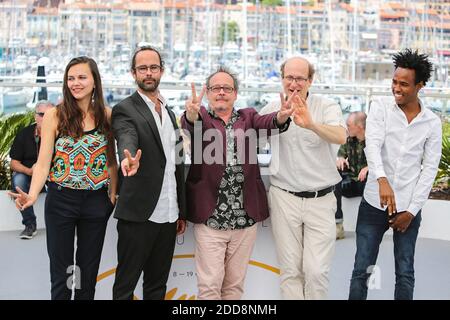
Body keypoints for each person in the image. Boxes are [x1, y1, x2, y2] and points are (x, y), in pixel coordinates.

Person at [181, 66, 294, 300]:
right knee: (209, 286)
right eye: (216, 88)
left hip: (244, 219)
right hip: (210, 217)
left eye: (227, 88)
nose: (221, 92)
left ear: (235, 93)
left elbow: (269, 122)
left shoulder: (248, 117)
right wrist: (191, 114)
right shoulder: (201, 116)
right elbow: (191, 122)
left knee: (234, 287)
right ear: (208, 93)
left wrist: (281, 117)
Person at [9, 56, 118, 300]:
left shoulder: (107, 116)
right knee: (62, 274)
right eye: (71, 78)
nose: (75, 83)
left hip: (96, 202)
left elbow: (112, 159)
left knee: (86, 275)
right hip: (61, 201)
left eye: (81, 77)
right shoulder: (55, 116)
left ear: (94, 81)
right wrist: (34, 193)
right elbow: (44, 160)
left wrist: (112, 193)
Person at [349, 49, 442, 300]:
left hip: (407, 207)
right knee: (362, 271)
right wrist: (381, 180)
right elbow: (373, 144)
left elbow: (430, 169)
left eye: (404, 84)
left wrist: (411, 211)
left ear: (419, 86)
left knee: (405, 273)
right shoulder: (379, 107)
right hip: (372, 204)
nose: (396, 88)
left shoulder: (432, 122)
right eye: (394, 82)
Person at [260, 57, 346, 300]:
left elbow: (340, 135)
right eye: (290, 77)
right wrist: (277, 120)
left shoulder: (326, 106)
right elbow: (249, 140)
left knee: (316, 271)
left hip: (321, 199)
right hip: (284, 197)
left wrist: (311, 125)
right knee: (290, 271)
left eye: (300, 78)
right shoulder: (271, 107)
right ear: (282, 79)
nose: (294, 83)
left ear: (310, 80)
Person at [111, 45, 186, 300]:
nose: (149, 73)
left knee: (157, 286)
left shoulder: (169, 112)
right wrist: (127, 158)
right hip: (138, 215)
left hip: (169, 214)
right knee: (125, 286)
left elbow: (176, 163)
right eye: (142, 68)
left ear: (162, 71)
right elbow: (126, 136)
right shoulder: (125, 109)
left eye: (153, 67)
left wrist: (181, 211)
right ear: (134, 73)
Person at [9, 100, 54, 239]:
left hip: (52, 174)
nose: (45, 118)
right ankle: (30, 225)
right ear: (35, 116)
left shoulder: (60, 134)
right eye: (42, 114)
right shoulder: (24, 134)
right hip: (29, 173)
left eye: (50, 115)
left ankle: (64, 225)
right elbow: (14, 163)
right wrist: (30, 171)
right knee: (18, 182)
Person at [334, 111, 368, 240]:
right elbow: (341, 154)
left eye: (349, 125)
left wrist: (369, 167)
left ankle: (366, 228)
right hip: (352, 183)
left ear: (359, 126)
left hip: (368, 184)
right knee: (335, 175)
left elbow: (385, 162)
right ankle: (338, 225)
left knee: (371, 176)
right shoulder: (348, 139)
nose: (347, 128)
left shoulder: (373, 140)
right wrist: (341, 159)